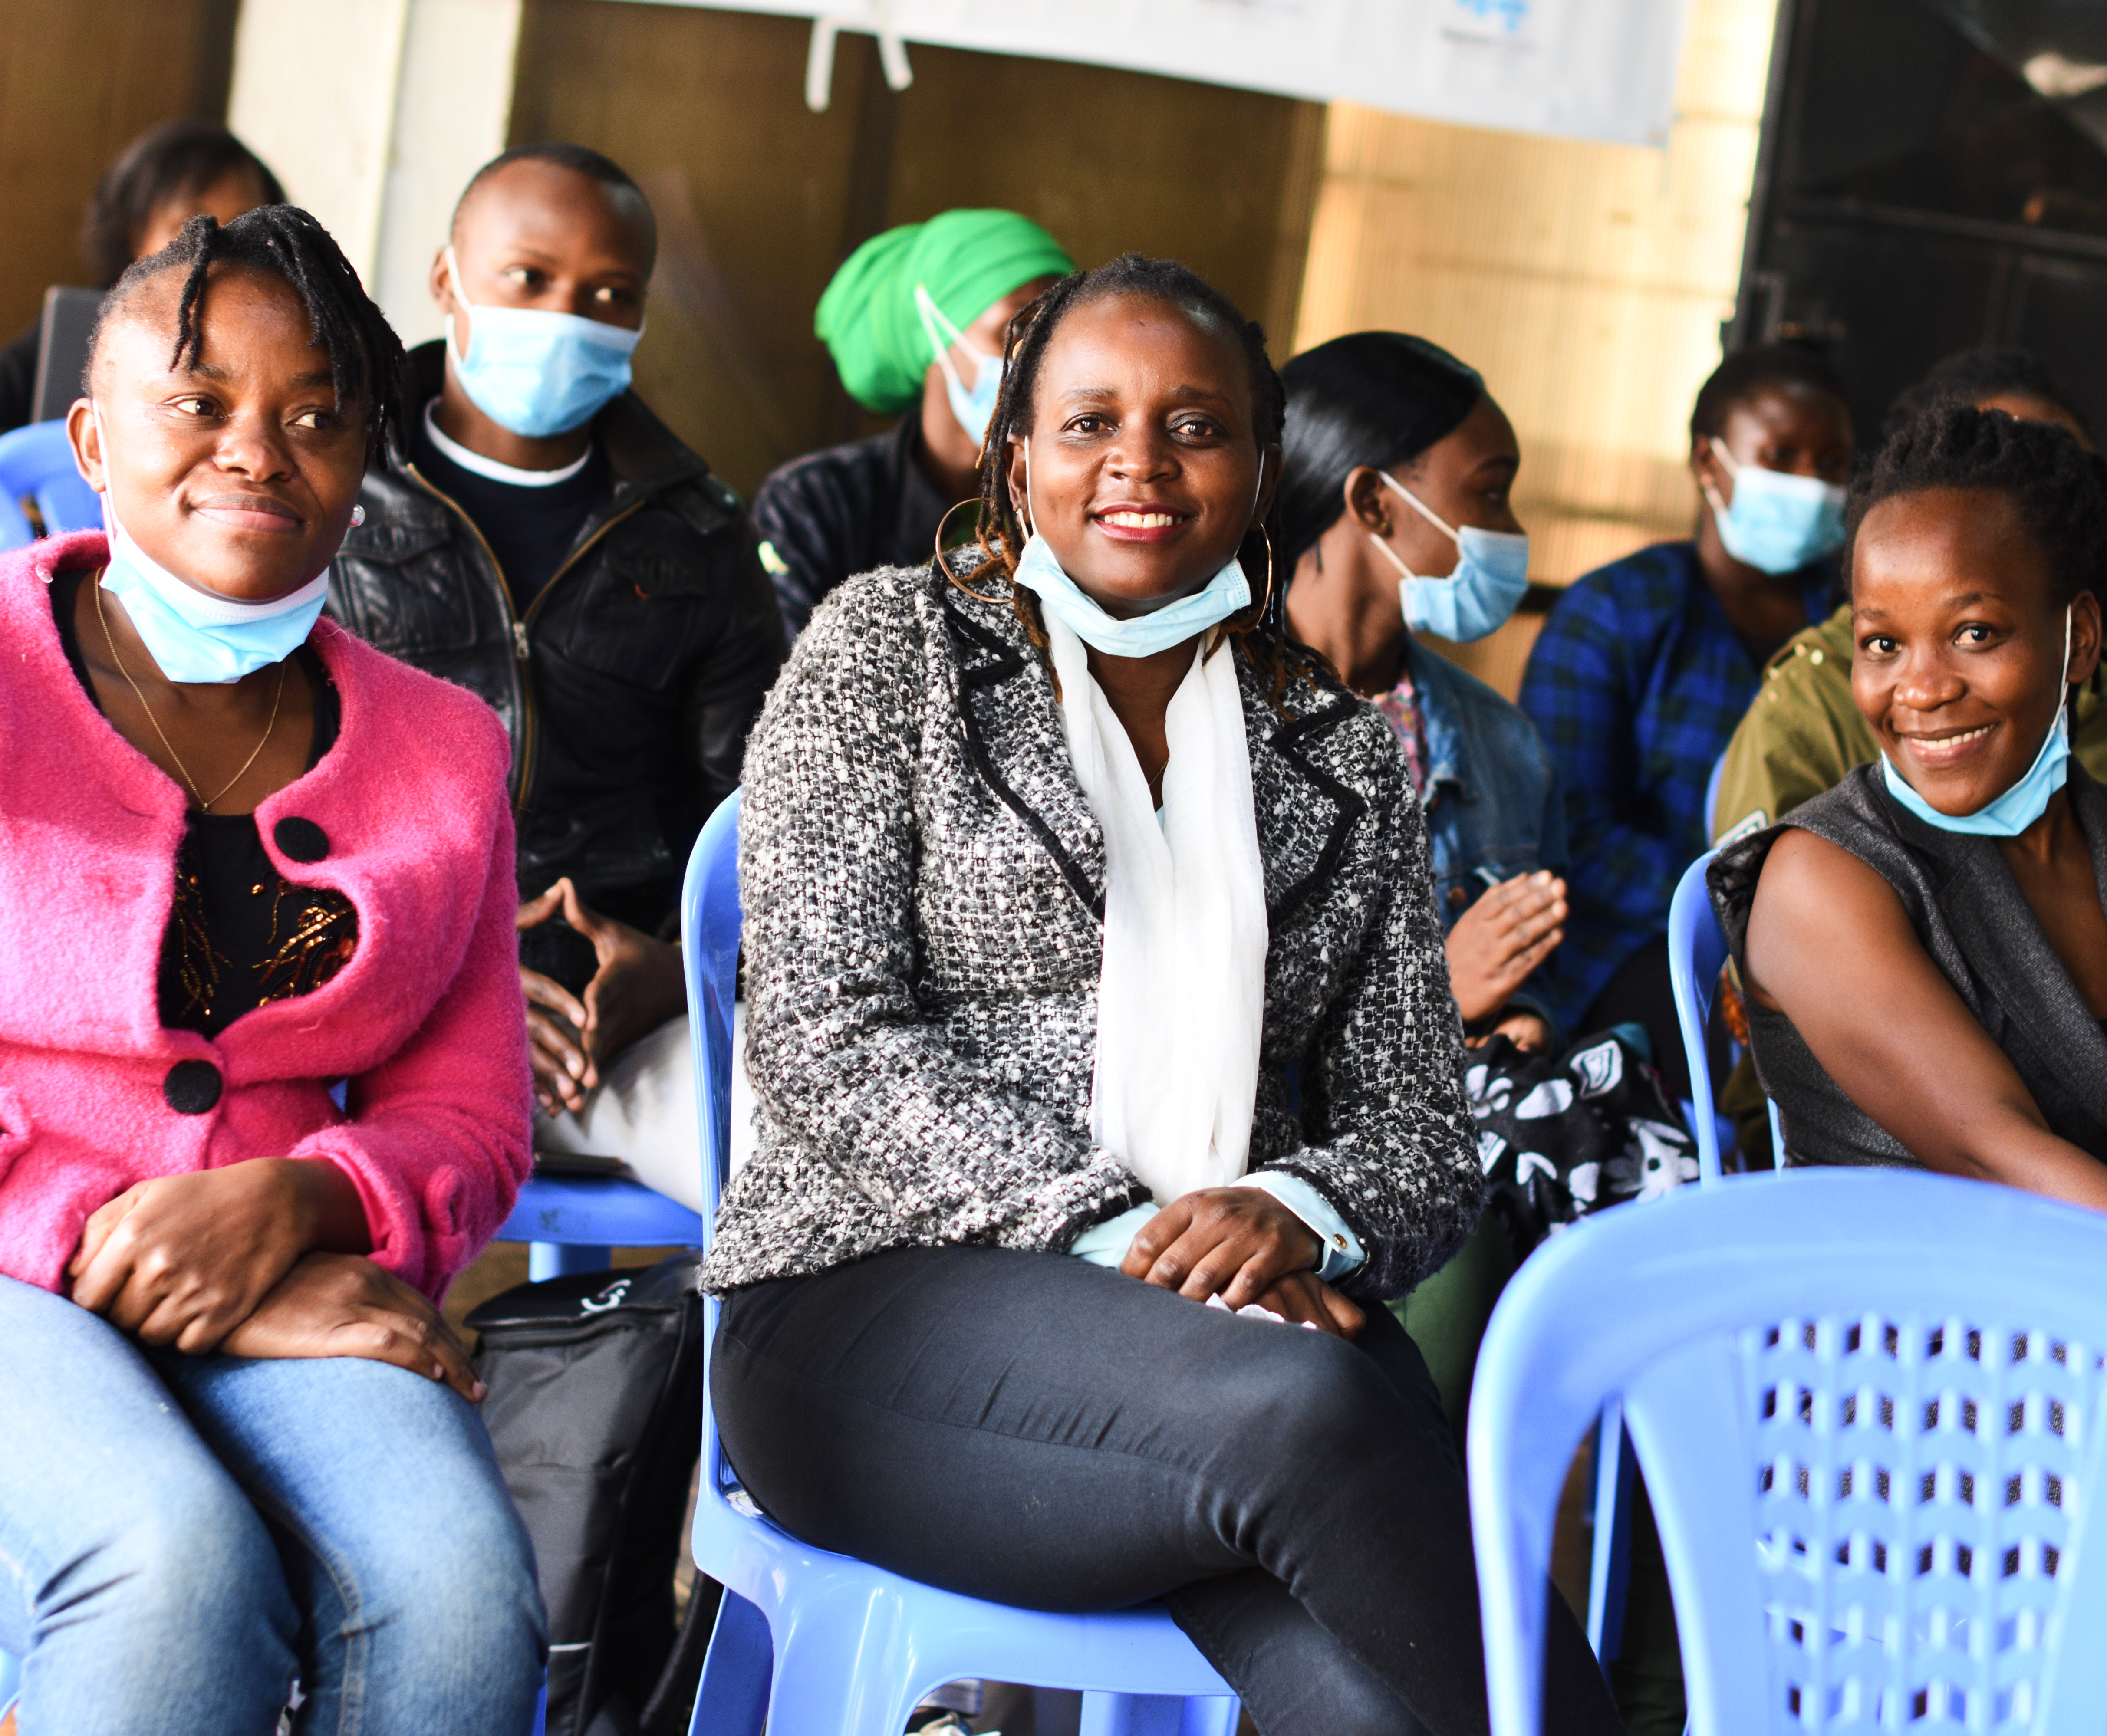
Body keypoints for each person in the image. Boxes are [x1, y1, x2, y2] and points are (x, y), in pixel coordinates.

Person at [705, 253, 1623, 1736]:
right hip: (866, 1316)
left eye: (1196, 427)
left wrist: (1296, 1213)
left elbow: (1418, 1135)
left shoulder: (1334, 750)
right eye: (1091, 423)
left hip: (1231, 1359)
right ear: (1018, 462)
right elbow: (829, 1040)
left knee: (1378, 1696)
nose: (1140, 462)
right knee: (1320, 1413)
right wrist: (1136, 1239)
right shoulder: (890, 653)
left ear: (1263, 472)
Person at [0, 206, 544, 1735]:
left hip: (276, 1270)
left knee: (463, 1592)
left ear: (365, 464)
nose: (258, 452)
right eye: (200, 401)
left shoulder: (444, 746)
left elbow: (475, 1115)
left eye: (317, 418)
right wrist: (124, 1244)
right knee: (171, 1567)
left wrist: (300, 1206)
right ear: (93, 439)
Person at [1714, 403, 2107, 1735]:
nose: (1917, 686)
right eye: (1881, 643)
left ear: (2076, 639)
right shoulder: (1820, 881)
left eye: (1973, 633)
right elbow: (2000, 1152)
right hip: (1925, 1395)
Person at [322, 141, 785, 1177]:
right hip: (353, 994)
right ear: (447, 279)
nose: (567, 318)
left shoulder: (700, 537)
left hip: (604, 1020)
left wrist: (676, 970)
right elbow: (248, 794)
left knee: (793, 1148)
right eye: (529, 278)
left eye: (609, 295)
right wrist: (446, 981)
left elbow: (768, 822)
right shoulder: (326, 489)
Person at [1712, 345, 2107, 972]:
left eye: (2056, 487)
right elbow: (1773, 959)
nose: (1926, 689)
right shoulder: (1820, 707)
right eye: (1884, 645)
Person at [1518, 342, 1852, 1098]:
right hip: (1635, 945)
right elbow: (1572, 829)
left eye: (1832, 464)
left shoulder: (1855, 629)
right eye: (1781, 456)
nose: (1810, 485)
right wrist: (1736, 912)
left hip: (1830, 945)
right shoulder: (1616, 612)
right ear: (1709, 461)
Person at [1279, 330, 1566, 1053]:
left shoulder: (1502, 744)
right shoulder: (1199, 719)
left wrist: (1522, 1018)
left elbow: (1529, 974)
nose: (1512, 530)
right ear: (1375, 503)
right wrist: (1434, 997)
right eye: (1490, 493)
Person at [751, 207, 1071, 635]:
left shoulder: (1074, 496)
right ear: (935, 333)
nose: (1041, 363)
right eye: (1018, 332)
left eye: (1059, 337)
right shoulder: (817, 503)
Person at [0, 119, 284, 450]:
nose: (215, 246)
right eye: (191, 227)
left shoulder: (282, 338)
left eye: (241, 226)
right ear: (136, 239)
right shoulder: (85, 328)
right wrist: (41, 467)